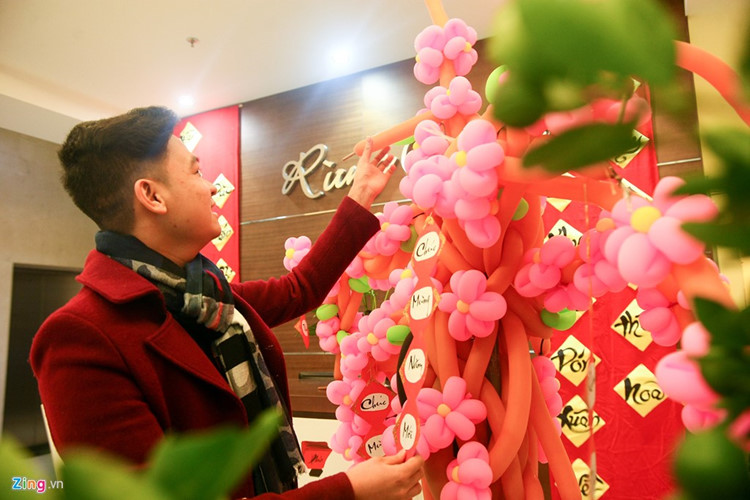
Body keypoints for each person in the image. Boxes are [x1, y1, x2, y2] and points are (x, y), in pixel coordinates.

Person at [30, 106, 424, 499]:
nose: (212, 187)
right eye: (196, 172)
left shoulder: (207, 298)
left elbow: (298, 289)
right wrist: (347, 492)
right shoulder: (79, 338)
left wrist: (361, 193)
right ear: (152, 196)